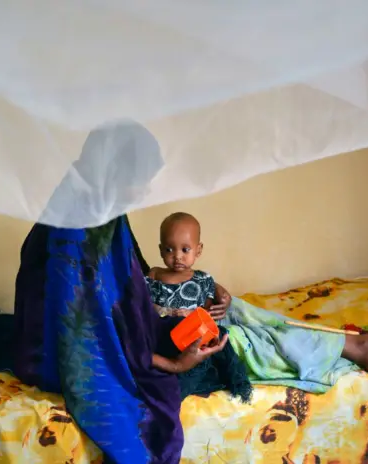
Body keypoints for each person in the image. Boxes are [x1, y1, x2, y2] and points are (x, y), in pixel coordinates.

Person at [14, 121, 227, 464]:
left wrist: (211, 289)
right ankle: (337, 345)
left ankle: (338, 343)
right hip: (55, 354)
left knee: (227, 319)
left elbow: (129, 280)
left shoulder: (94, 201)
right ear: (112, 170)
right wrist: (173, 365)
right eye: (138, 181)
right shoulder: (78, 229)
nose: (142, 193)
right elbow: (86, 338)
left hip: (96, 333)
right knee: (151, 420)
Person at [142, 211, 368, 393]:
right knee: (269, 340)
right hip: (192, 337)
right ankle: (366, 349)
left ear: (198, 250)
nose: (177, 256)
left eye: (184, 249)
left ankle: (365, 345)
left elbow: (207, 282)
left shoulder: (200, 277)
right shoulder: (152, 275)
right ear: (159, 250)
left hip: (212, 319)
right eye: (169, 250)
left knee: (268, 322)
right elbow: (141, 318)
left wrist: (224, 294)